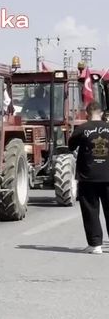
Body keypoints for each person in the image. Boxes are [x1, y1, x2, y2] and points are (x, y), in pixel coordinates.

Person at [67, 101, 109, 254]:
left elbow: (71, 145)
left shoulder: (83, 128)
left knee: (91, 210)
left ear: (87, 113)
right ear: (102, 113)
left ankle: (95, 244)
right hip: (108, 175)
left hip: (88, 176)